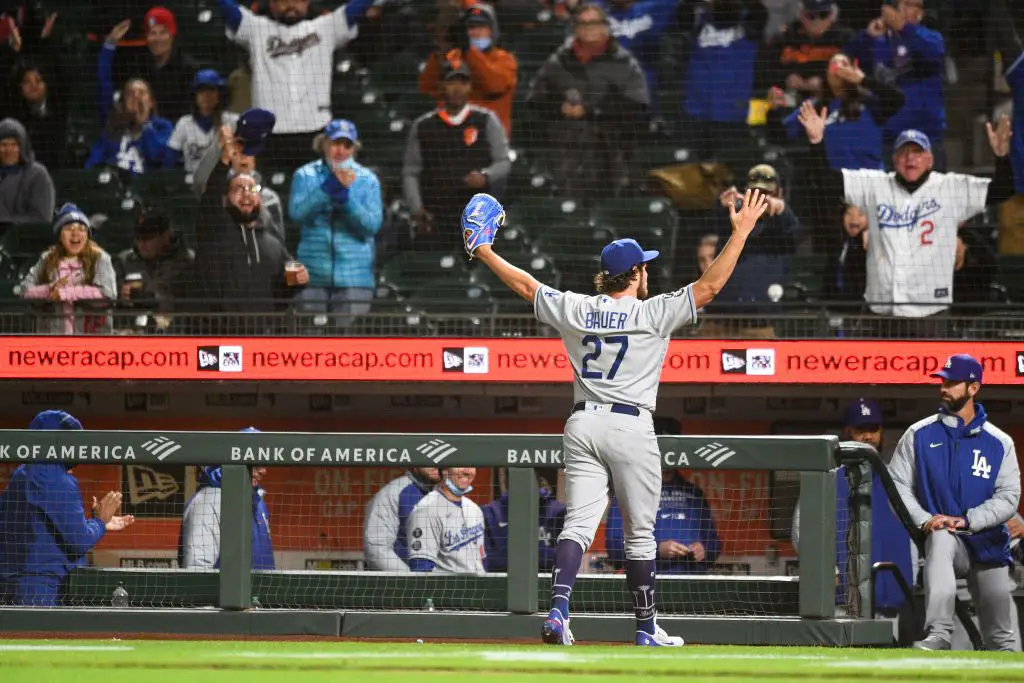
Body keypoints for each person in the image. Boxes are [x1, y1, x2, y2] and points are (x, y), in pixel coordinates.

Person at [461, 187, 769, 645]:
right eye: (645, 265)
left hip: (582, 423)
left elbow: (526, 285)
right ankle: (646, 629)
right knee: (641, 534)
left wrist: (484, 249)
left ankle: (559, 613)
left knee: (579, 524)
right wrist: (741, 232)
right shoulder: (652, 311)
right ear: (637, 273)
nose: (649, 271)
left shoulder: (577, 307)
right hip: (630, 423)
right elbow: (711, 286)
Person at [796, 103, 1015, 336]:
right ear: (894, 159)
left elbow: (1003, 189)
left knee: (930, 373)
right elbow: (825, 181)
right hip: (880, 311)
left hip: (930, 312)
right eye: (904, 152)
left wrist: (1002, 157)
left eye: (917, 152)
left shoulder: (950, 188)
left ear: (930, 159)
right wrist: (817, 142)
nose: (910, 158)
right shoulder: (875, 185)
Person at [888, 354, 1020, 651]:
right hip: (949, 540)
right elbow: (897, 487)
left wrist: (969, 520)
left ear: (973, 388)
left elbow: (1009, 497)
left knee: (1001, 639)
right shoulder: (918, 435)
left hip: (988, 543)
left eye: (951, 382)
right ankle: (939, 632)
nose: (943, 388)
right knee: (940, 536)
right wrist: (925, 519)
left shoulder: (999, 442)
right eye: (942, 382)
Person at [792, 398, 913, 621]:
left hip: (897, 600)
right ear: (848, 432)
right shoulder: (827, 479)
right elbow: (802, 531)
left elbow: (917, 528)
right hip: (842, 600)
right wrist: (829, 569)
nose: (867, 436)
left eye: (873, 429)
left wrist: (918, 573)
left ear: (881, 432)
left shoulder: (898, 481)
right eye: (860, 430)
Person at [219, 0, 376, 170]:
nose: (291, 5)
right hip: (270, 135)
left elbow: (358, 7)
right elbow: (229, 10)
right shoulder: (257, 29)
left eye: (297, 0)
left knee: (316, 192)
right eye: (284, 1)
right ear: (272, 4)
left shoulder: (325, 27)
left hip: (315, 131)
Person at [0, 410, 135, 606]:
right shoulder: (55, 477)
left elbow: (49, 531)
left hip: (12, 580)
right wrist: (99, 521)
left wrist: (99, 524)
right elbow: (79, 540)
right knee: (41, 636)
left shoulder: (20, 474)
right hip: (41, 586)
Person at [192, 124, 309, 329]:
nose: (246, 193)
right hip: (217, 340)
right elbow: (210, 192)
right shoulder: (215, 229)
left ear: (260, 199)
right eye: (238, 189)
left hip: (260, 342)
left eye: (252, 189)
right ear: (225, 199)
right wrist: (223, 160)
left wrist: (297, 281)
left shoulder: (274, 245)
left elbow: (281, 295)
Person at [526, 3, 649, 198]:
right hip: (566, 151)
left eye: (594, 23)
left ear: (605, 27)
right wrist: (559, 108)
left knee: (609, 207)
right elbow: (535, 100)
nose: (589, 28)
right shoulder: (558, 61)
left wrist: (592, 110)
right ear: (574, 28)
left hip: (611, 152)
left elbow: (637, 103)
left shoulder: (623, 61)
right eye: (583, 23)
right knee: (569, 211)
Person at [403, 56, 510, 252]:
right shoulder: (423, 126)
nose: (457, 88)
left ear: (470, 86)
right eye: (451, 82)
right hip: (435, 216)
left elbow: (503, 161)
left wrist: (486, 176)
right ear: (441, 86)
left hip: (477, 218)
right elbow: (411, 171)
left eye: (462, 82)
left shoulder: (486, 120)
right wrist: (416, 208)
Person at [289, 119, 383, 328]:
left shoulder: (368, 180)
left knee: (348, 349)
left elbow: (371, 225)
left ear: (354, 148)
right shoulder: (304, 175)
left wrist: (345, 200)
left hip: (355, 279)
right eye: (335, 143)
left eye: (347, 145)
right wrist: (327, 189)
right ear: (323, 144)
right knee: (310, 348)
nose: (340, 150)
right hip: (312, 276)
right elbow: (297, 214)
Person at [694, 163, 802, 338]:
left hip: (758, 325)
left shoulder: (782, 229)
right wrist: (723, 206)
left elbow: (794, 234)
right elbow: (717, 228)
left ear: (779, 194)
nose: (762, 199)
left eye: (767, 194)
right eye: (756, 194)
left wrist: (782, 210)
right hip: (718, 322)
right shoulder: (732, 222)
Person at [843, 0, 947, 167]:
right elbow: (843, 63)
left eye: (918, 6)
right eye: (908, 4)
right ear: (889, 10)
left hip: (926, 138)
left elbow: (935, 52)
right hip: (888, 139)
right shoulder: (875, 40)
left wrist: (903, 28)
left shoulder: (930, 37)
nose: (915, 11)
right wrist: (866, 36)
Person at [774, 52, 905, 171]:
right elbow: (779, 136)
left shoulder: (870, 102)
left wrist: (863, 80)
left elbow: (897, 98)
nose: (839, 68)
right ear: (826, 73)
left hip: (871, 181)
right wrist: (773, 109)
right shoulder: (815, 107)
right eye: (833, 64)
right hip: (834, 185)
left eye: (844, 64)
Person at [179, 429, 275, 570]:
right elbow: (197, 571)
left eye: (264, 463)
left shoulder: (258, 501)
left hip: (261, 591)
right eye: (257, 463)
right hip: (225, 592)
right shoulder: (208, 501)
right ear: (235, 457)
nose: (263, 471)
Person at [419, 5, 517, 138]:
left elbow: (494, 85)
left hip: (489, 141)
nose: (475, 31)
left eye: (481, 26)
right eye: (470, 27)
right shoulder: (453, 57)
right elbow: (427, 87)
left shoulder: (504, 59)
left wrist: (469, 51)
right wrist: (443, 48)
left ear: (492, 30)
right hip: (451, 138)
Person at [19, 205, 117, 335]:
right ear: (59, 235)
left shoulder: (100, 258)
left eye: (82, 229)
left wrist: (67, 293)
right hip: (51, 341)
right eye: (69, 229)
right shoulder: (47, 258)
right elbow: (25, 289)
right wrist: (50, 290)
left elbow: (108, 294)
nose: (75, 233)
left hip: (91, 342)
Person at [89, 25, 173, 175]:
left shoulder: (163, 128)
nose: (136, 97)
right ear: (123, 102)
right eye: (130, 93)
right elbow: (103, 82)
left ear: (151, 102)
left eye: (141, 93)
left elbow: (157, 157)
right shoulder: (112, 127)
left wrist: (144, 124)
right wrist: (109, 45)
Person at [192, 109, 286, 242]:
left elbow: (278, 241)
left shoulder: (268, 197)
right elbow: (199, 183)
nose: (244, 156)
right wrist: (218, 146)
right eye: (239, 148)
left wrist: (254, 199)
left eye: (249, 152)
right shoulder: (220, 190)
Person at [606, 469, 721, 575]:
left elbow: (714, 543)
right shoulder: (629, 493)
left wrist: (704, 550)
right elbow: (614, 547)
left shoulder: (695, 493)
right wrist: (656, 550)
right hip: (645, 580)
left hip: (692, 584)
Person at [102, 10, 199, 124]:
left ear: (172, 35)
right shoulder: (138, 65)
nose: (157, 39)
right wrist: (110, 44)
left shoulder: (188, 69)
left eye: (163, 32)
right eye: (152, 33)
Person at [113, 206, 195, 329]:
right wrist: (120, 295)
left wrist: (150, 298)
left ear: (166, 235)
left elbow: (192, 302)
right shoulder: (124, 261)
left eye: (148, 238)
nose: (142, 244)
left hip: (175, 335)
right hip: (130, 334)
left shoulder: (188, 261)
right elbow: (107, 297)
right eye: (138, 238)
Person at [769, 0, 852, 105]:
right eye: (811, 16)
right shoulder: (785, 37)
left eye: (823, 15)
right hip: (793, 97)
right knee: (773, 100)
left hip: (830, 99)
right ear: (801, 14)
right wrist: (786, 78)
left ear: (833, 15)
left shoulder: (845, 38)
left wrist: (824, 81)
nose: (817, 21)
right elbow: (768, 71)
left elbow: (852, 73)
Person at [406, 467, 486, 574]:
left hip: (479, 588)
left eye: (472, 465)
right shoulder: (426, 511)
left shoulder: (474, 509)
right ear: (444, 469)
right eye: (460, 465)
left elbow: (481, 560)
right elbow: (421, 570)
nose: (468, 471)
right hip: (447, 589)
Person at [482, 474, 567, 572]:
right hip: (502, 580)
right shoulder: (491, 512)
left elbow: (564, 558)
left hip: (547, 580)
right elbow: (490, 560)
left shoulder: (558, 512)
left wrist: (518, 553)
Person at [363, 468, 441, 571]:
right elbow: (377, 550)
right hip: (402, 583)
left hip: (444, 582)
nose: (435, 464)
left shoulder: (451, 494)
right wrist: (413, 580)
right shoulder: (394, 492)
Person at [165, 69, 239, 173]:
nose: (206, 95)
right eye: (201, 90)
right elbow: (168, 161)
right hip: (191, 181)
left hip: (224, 181)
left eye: (211, 90)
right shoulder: (184, 123)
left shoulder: (233, 121)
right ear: (194, 96)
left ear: (219, 95)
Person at [3, 61, 67, 171]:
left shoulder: (60, 113)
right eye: (26, 82)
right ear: (20, 88)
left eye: (38, 80)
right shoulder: (14, 117)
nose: (33, 86)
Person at [0, 117, 55, 225]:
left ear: (23, 147)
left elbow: (41, 218)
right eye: (3, 145)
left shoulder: (38, 174)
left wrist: (4, 222)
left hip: (23, 238)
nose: (9, 150)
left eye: (14, 145)